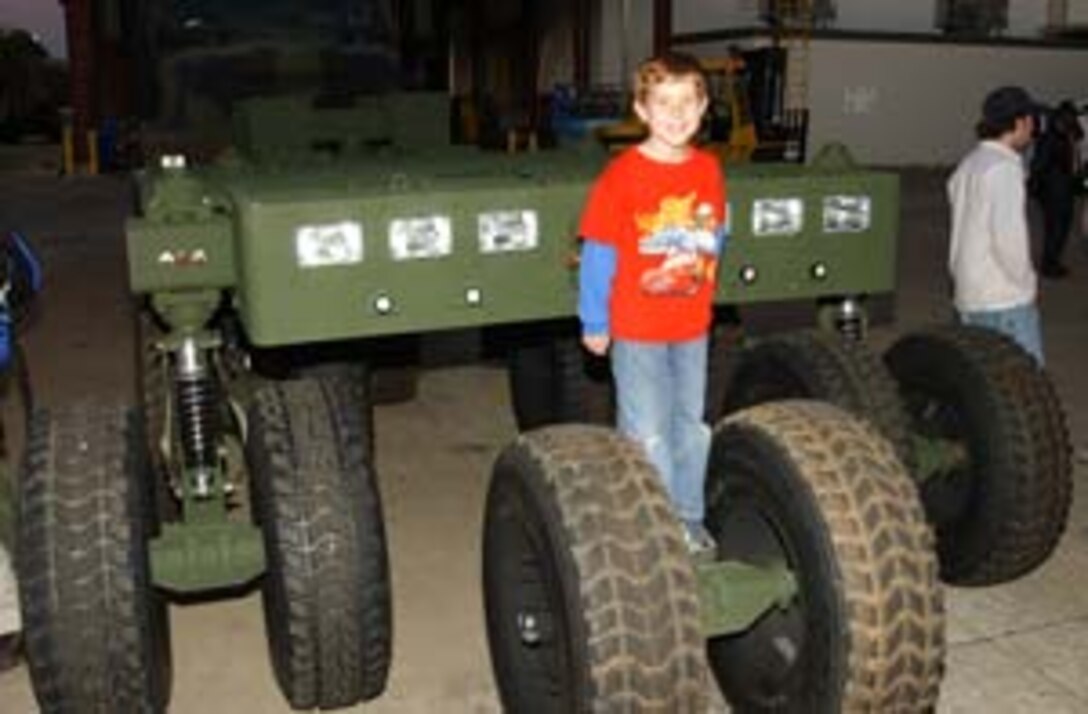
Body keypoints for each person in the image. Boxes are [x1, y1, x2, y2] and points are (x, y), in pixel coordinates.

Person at [578, 52, 727, 554]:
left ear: (704, 106)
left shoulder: (708, 169)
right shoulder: (622, 176)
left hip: (690, 325)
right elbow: (599, 254)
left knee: (691, 427)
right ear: (642, 110)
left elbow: (714, 233)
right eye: (664, 102)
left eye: (687, 101)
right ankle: (651, 526)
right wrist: (595, 319)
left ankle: (687, 518)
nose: (677, 113)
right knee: (648, 433)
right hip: (637, 325)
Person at [948, 85, 1044, 364]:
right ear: (1020, 122)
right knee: (1028, 387)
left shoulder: (970, 163)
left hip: (969, 293)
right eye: (1031, 120)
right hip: (1002, 299)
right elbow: (1008, 239)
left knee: (984, 384)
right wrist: (1027, 285)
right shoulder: (1004, 168)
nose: (1033, 127)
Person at [1031, 100, 1084, 278]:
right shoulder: (1050, 139)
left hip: (1065, 190)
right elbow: (1038, 166)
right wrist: (1037, 189)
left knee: (1062, 228)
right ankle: (1049, 265)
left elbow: (1079, 136)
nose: (1073, 120)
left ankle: (1053, 261)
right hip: (1054, 193)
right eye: (1070, 117)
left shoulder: (1067, 133)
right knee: (1055, 230)